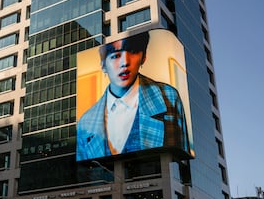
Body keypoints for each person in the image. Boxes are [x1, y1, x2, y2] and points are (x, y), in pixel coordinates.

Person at [76, 31, 189, 161]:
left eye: (133, 51)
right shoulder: (85, 122)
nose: (125, 62)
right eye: (115, 55)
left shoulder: (168, 96)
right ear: (103, 65)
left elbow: (181, 157)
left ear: (144, 57)